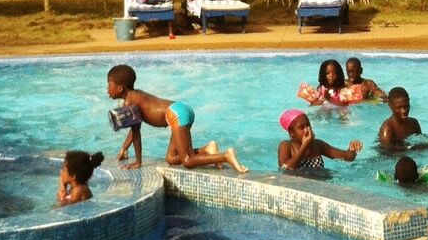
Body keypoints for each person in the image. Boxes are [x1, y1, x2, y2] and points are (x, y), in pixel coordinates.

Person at [106, 64, 248, 173]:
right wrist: (124, 148)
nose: (107, 89)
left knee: (187, 160)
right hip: (179, 110)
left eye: (109, 85)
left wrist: (138, 162)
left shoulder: (129, 102)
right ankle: (208, 149)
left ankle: (226, 156)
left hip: (176, 114)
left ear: (120, 88)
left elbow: (136, 133)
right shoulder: (135, 95)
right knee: (172, 158)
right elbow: (134, 131)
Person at [277, 109, 362, 171]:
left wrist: (352, 149)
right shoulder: (286, 146)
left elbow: (347, 157)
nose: (307, 130)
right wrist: (304, 146)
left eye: (308, 125)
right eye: (302, 127)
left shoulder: (317, 145)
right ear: (292, 132)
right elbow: (285, 169)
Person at [297, 58, 362, 105]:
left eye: (334, 73)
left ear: (338, 73)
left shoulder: (342, 87)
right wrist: (316, 101)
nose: (331, 76)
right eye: (327, 73)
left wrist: (329, 99)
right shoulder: (321, 88)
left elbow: (345, 105)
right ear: (323, 74)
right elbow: (314, 104)